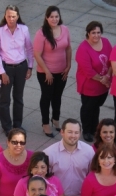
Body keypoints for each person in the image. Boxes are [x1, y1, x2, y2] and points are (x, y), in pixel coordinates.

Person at [0, 5, 33, 134]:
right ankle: (7, 126)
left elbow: (30, 49)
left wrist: (30, 66)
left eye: (13, 16)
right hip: (6, 68)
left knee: (18, 98)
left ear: (18, 16)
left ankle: (17, 124)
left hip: (21, 66)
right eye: (9, 16)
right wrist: (2, 72)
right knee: (5, 99)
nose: (11, 19)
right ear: (5, 16)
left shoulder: (24, 29)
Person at [34, 6, 71, 137]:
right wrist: (47, 72)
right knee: (47, 97)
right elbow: (37, 54)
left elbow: (68, 49)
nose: (54, 19)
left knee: (57, 97)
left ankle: (55, 119)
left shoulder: (65, 30)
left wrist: (69, 65)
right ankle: (45, 123)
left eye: (56, 16)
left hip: (62, 72)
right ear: (47, 18)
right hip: (46, 73)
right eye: (51, 17)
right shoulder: (41, 33)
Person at [75, 21, 112, 142]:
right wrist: (104, 80)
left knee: (96, 107)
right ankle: (86, 130)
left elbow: (112, 60)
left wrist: (107, 76)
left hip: (103, 84)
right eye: (93, 33)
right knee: (88, 108)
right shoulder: (83, 48)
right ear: (88, 33)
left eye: (98, 32)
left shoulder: (106, 42)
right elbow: (88, 71)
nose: (96, 35)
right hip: (89, 85)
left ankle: (95, 128)